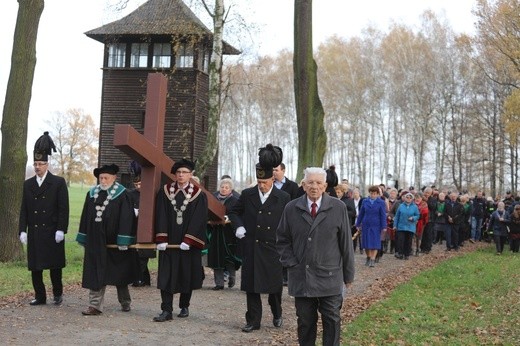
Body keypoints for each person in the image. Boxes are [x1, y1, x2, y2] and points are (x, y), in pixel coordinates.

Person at [276, 167, 355, 346]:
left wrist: (348, 275)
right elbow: (282, 240)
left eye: (318, 183)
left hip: (330, 276)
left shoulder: (338, 207)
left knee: (332, 320)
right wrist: (292, 263)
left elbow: (346, 244)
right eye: (310, 182)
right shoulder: (291, 208)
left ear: (325, 186)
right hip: (301, 276)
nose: (314, 186)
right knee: (305, 322)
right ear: (303, 185)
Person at [228, 144, 290, 333]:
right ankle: (253, 320)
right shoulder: (248, 194)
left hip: (272, 247)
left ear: (273, 178)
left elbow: (288, 221)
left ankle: (277, 313)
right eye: (259, 182)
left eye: (265, 182)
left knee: (274, 286)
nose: (261, 185)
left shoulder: (283, 197)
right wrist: (238, 225)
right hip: (252, 246)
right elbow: (234, 211)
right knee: (252, 286)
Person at [76, 164, 138, 315]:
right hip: (96, 241)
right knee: (95, 273)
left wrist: (123, 240)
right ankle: (95, 306)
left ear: (114, 178)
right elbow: (85, 216)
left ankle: (125, 302)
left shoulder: (123, 195)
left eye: (106, 178)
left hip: (115, 243)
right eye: (101, 178)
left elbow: (126, 218)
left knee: (119, 274)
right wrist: (83, 237)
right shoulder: (92, 194)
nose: (103, 181)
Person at [153, 158, 208, 322]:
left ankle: (184, 305)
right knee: (166, 276)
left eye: (184, 172)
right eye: (178, 172)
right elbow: (160, 214)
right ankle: (166, 310)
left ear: (191, 174)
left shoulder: (199, 194)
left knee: (186, 275)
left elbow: (199, 219)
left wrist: (189, 240)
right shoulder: (165, 191)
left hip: (187, 244)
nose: (181, 175)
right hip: (169, 242)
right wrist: (161, 238)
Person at [18, 132, 69, 306]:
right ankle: (40, 296)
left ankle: (57, 294)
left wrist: (61, 229)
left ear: (47, 165)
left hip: (52, 230)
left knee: (54, 266)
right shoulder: (28, 184)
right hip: (36, 231)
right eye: (35, 164)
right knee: (36, 266)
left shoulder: (58, 183)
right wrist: (22, 230)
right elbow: (23, 209)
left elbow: (63, 208)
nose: (38, 167)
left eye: (41, 164)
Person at [207, 177, 240, 290]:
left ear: (231, 189)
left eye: (227, 187)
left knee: (229, 257)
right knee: (216, 257)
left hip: (229, 233)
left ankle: (232, 277)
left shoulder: (235, 200)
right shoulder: (214, 199)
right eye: (222, 187)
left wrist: (229, 218)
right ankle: (219, 283)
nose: (224, 189)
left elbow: (237, 215)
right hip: (215, 232)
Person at [127, 166, 156, 287]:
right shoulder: (130, 195)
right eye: (136, 184)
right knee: (135, 254)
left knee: (144, 254)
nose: (138, 187)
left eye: (140, 184)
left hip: (147, 228)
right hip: (134, 228)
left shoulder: (151, 193)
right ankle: (141, 277)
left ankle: (140, 278)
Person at [354, 185, 387, 267]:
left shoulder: (381, 203)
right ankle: (368, 257)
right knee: (366, 242)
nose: (373, 195)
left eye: (375, 194)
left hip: (376, 225)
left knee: (375, 242)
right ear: (369, 193)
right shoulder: (365, 201)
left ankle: (373, 259)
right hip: (366, 224)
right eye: (371, 193)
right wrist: (358, 223)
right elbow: (361, 214)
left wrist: (384, 226)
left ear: (378, 194)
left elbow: (383, 215)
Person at [394, 192, 419, 260]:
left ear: (412, 199)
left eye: (410, 198)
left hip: (410, 227)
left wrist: (413, 218)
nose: (408, 199)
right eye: (407, 197)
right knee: (401, 240)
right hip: (401, 226)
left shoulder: (415, 206)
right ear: (405, 198)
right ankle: (400, 253)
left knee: (408, 241)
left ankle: (406, 254)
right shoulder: (401, 206)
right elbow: (397, 216)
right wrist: (395, 225)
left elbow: (417, 215)